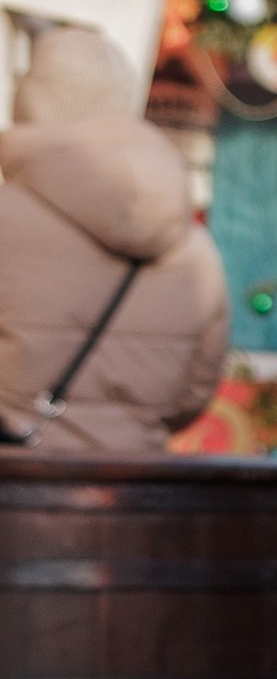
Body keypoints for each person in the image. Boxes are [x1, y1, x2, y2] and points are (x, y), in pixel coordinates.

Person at [0, 26, 228, 453]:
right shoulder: (193, 248)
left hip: (15, 487)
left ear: (31, 99)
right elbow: (193, 392)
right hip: (131, 492)